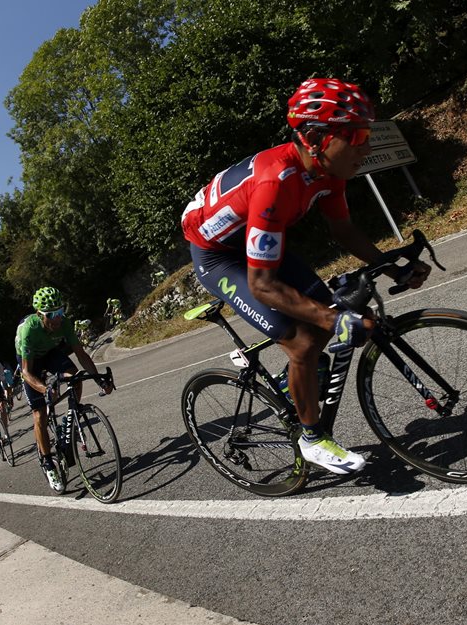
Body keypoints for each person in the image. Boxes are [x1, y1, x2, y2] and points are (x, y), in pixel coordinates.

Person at [181, 77, 429, 475]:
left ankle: (289, 384)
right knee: (304, 338)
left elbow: (344, 231)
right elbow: (262, 284)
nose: (366, 145)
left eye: (367, 132)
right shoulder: (275, 183)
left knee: (331, 313)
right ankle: (312, 439)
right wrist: (332, 320)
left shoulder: (328, 171)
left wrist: (391, 263)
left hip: (255, 241)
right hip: (218, 256)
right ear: (315, 137)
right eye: (358, 135)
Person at [16, 286, 113, 490]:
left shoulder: (64, 324)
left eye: (61, 311)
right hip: (31, 361)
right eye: (52, 314)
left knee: (75, 377)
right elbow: (26, 372)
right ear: (40, 314)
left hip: (50, 353)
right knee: (40, 413)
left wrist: (98, 380)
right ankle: (48, 462)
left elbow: (81, 354)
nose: (57, 318)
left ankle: (71, 417)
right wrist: (44, 388)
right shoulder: (29, 329)